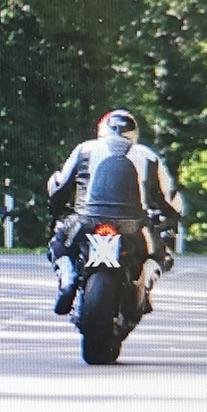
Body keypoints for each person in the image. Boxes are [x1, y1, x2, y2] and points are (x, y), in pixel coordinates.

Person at [46, 108, 184, 315]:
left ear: (102, 129)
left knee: (59, 243)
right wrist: (171, 219)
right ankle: (145, 285)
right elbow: (170, 198)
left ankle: (67, 279)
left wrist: (56, 211)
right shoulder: (148, 156)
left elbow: (59, 186)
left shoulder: (84, 149)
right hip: (134, 226)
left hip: (87, 221)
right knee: (159, 253)